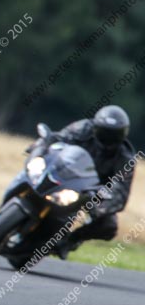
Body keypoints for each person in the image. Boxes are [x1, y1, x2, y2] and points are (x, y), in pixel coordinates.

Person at [31, 105, 135, 258]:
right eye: (104, 132)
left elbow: (121, 192)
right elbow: (57, 138)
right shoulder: (82, 128)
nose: (108, 138)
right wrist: (39, 150)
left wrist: (102, 206)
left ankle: (70, 241)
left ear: (123, 135)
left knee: (109, 226)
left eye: (114, 134)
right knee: (34, 170)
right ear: (95, 127)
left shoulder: (125, 158)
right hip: (63, 174)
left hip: (92, 192)